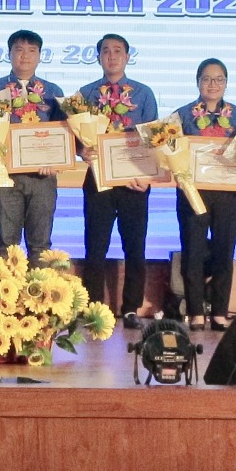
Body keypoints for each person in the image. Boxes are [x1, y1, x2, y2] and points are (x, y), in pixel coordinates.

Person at [78, 33, 159, 326]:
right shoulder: (85, 94)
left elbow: (154, 140)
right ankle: (94, 309)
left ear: (127, 56)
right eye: (105, 51)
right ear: (98, 56)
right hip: (97, 179)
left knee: (134, 246)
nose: (111, 56)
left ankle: (131, 308)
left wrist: (148, 177)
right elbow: (74, 139)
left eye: (117, 51)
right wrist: (81, 151)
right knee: (95, 246)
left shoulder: (144, 94)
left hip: (133, 181)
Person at [175, 58, 236, 331]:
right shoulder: (183, 115)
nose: (212, 84)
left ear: (226, 83)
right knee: (192, 251)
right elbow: (167, 149)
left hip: (229, 194)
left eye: (219, 79)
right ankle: (195, 312)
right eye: (206, 79)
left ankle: (219, 312)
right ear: (198, 82)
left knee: (224, 252)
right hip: (194, 192)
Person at [0, 29, 68, 257]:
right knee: (6, 245)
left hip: (42, 178)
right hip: (5, 175)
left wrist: (55, 162)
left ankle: (38, 282)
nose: (25, 56)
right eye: (19, 50)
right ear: (9, 54)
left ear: (40, 56)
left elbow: (63, 135)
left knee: (40, 246)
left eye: (31, 50)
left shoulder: (53, 92)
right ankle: (5, 283)